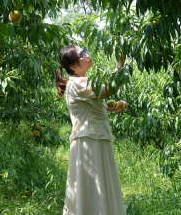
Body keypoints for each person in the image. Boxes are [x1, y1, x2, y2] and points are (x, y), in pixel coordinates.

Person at [55, 44, 128, 215]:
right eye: (82, 54)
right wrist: (120, 64)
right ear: (73, 66)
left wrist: (110, 107)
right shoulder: (77, 83)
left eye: (86, 50)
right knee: (93, 190)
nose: (87, 54)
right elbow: (109, 89)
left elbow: (92, 105)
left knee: (99, 188)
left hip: (97, 138)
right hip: (89, 142)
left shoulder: (83, 83)